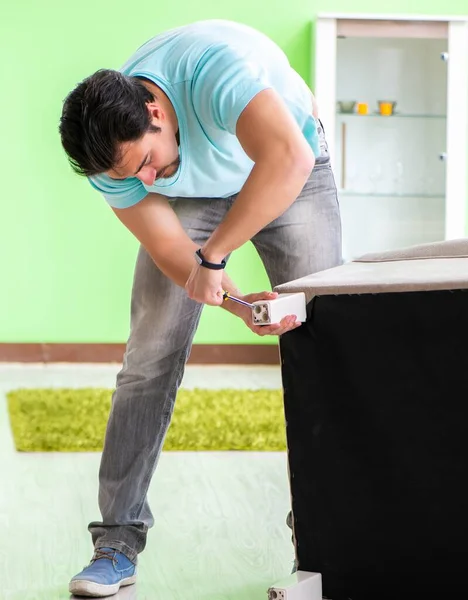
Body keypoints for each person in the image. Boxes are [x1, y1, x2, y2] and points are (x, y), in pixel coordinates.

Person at [59, 18, 342, 597]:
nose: (141, 179)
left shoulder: (215, 71)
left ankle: (326, 534)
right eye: (125, 176)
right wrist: (234, 300)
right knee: (149, 355)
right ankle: (116, 543)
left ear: (156, 114)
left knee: (324, 340)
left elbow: (285, 159)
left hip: (293, 163)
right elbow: (170, 250)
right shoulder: (114, 160)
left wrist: (213, 255)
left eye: (144, 162)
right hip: (200, 188)